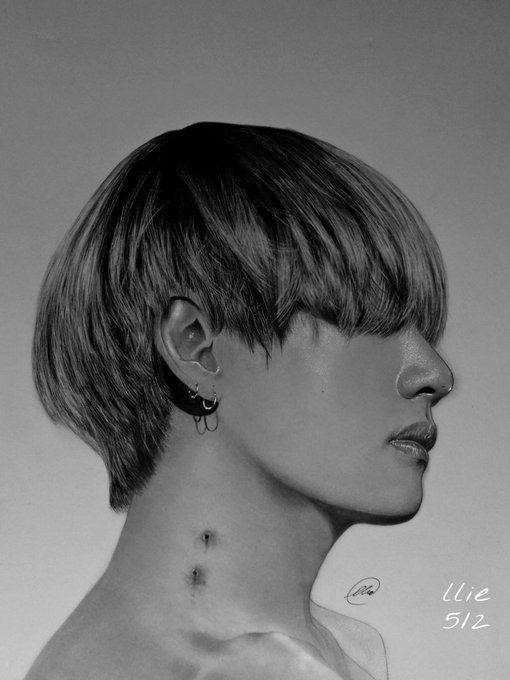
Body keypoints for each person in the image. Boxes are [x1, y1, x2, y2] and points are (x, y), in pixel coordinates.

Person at [27, 122, 453, 680]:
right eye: (369, 319)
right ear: (197, 347)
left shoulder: (345, 648)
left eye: (423, 329)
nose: (435, 374)